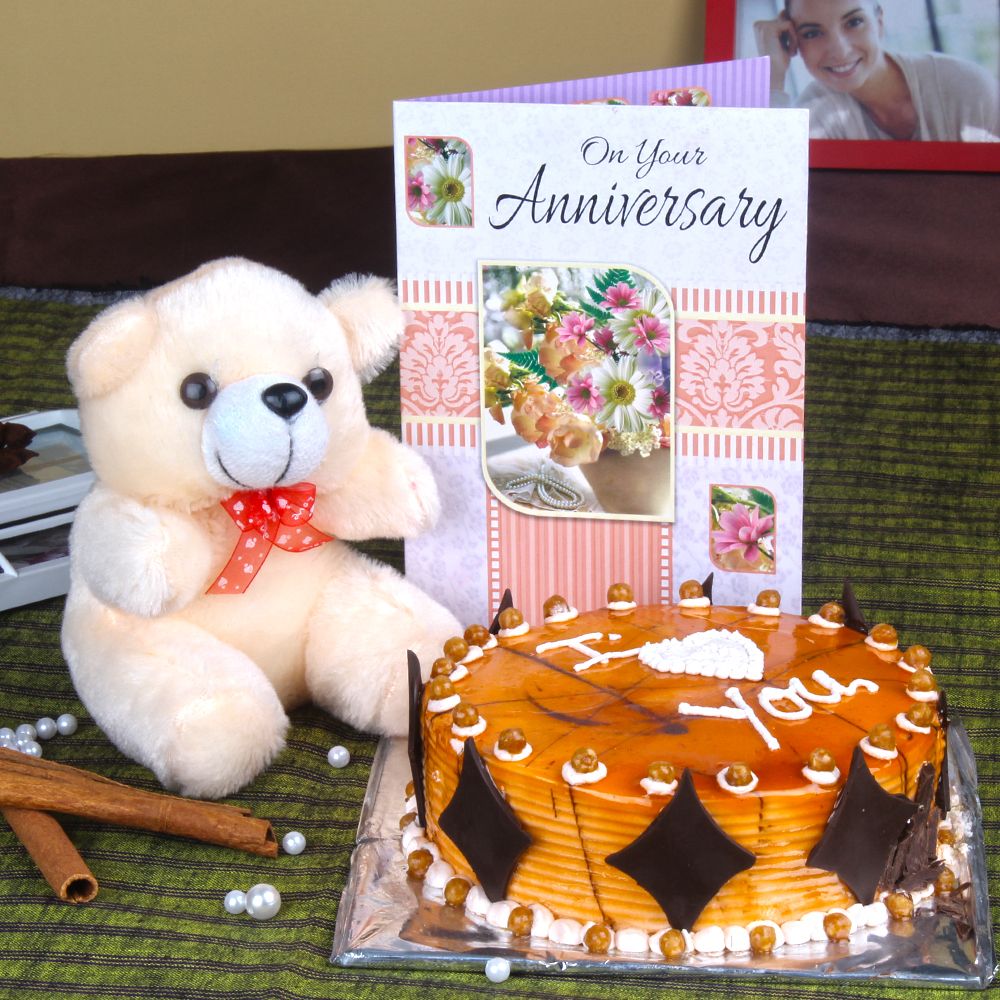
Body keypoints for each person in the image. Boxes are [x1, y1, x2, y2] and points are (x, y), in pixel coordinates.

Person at [754, 0, 999, 141]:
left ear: (879, 22)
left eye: (854, 22)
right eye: (812, 33)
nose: (839, 50)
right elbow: (767, 190)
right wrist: (772, 77)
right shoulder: (816, 113)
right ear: (792, 41)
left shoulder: (965, 88)